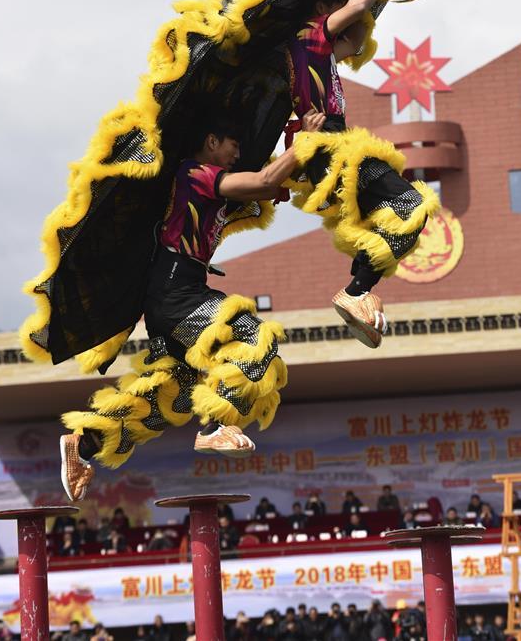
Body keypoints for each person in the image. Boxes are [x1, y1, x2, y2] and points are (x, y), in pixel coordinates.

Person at [59, 108, 324, 499]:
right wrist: (303, 143)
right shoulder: (195, 173)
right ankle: (215, 427)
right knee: (252, 336)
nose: (237, 153)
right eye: (233, 144)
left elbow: (268, 187)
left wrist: (303, 158)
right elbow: (265, 178)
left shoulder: (208, 181)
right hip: (176, 294)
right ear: (212, 141)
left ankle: (84, 445)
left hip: (172, 298)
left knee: (173, 395)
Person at [284, 0, 438, 348]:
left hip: (331, 151)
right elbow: (355, 10)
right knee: (410, 203)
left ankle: (359, 290)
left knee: (399, 220)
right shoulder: (309, 36)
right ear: (323, 11)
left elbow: (353, 39)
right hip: (333, 150)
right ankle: (355, 292)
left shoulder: (314, 54)